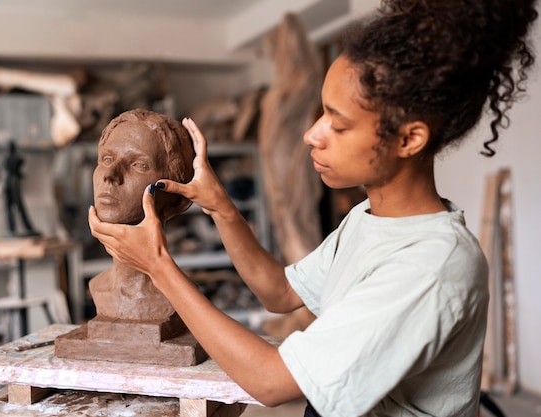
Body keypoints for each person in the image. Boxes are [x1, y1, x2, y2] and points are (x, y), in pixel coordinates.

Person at [88, 0, 538, 415]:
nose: (312, 135)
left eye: (338, 126)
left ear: (408, 138)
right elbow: (279, 294)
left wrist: (159, 266)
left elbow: (271, 381)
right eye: (321, 114)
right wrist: (221, 207)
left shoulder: (433, 264)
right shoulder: (370, 219)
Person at [88, 108, 194, 321]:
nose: (110, 176)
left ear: (175, 198)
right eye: (107, 159)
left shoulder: (182, 297)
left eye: (138, 165)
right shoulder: (97, 286)